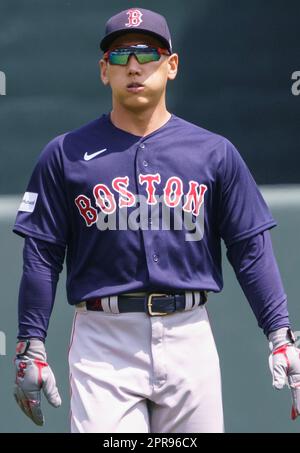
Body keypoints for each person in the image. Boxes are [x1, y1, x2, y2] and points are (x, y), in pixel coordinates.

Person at [13, 7, 300, 433]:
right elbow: (42, 254)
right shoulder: (65, 154)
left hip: (189, 335)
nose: (132, 66)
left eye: (147, 54)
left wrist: (281, 336)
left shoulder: (214, 152)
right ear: (103, 71)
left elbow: (249, 248)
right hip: (103, 340)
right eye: (119, 55)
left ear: (172, 65)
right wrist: (30, 345)